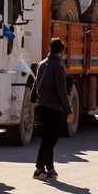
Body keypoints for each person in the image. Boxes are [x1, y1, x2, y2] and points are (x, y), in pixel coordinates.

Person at [29, 38, 74, 180]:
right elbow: (62, 92)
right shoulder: (58, 67)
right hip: (54, 109)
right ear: (61, 52)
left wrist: (32, 100)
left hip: (42, 107)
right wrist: (69, 110)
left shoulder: (42, 64)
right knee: (50, 140)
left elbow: (35, 84)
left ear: (50, 48)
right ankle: (38, 169)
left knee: (47, 138)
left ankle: (50, 169)